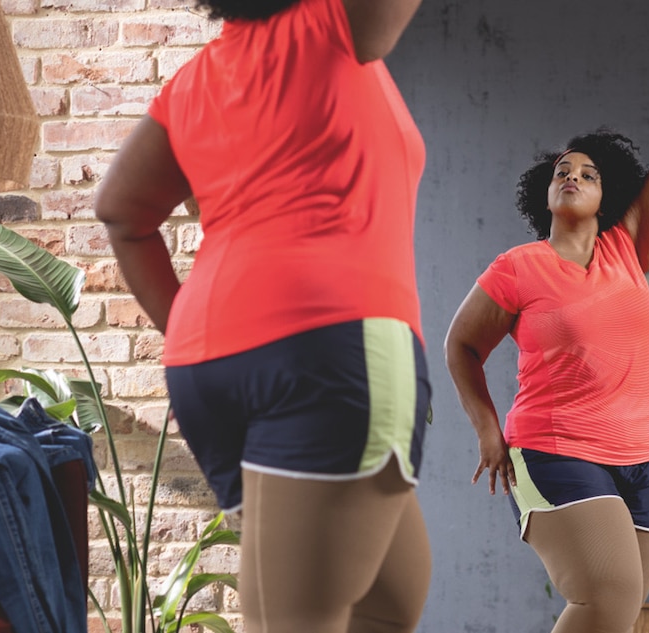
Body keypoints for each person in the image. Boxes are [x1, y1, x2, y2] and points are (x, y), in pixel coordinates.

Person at [93, 0, 430, 631]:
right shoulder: (331, 23)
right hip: (329, 346)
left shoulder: (197, 78)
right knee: (299, 618)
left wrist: (206, 333)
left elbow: (120, 212)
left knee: (391, 595)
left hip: (207, 366)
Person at [443, 13, 649, 633]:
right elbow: (461, 345)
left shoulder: (629, 247)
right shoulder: (518, 268)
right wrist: (487, 428)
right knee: (610, 595)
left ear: (607, 192)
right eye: (564, 170)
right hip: (556, 450)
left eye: (589, 173)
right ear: (546, 192)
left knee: (614, 616)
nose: (574, 176)